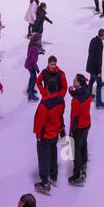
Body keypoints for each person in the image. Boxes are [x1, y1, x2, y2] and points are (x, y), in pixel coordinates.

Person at [33, 57, 67, 193]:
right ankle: (54, 176)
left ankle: (44, 182)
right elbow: (60, 116)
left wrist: (39, 136)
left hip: (45, 135)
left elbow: (40, 123)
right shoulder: (60, 101)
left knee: (43, 157)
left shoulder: (44, 105)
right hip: (55, 134)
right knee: (53, 154)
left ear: (47, 88)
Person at [68, 73, 91, 186]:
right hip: (87, 124)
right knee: (84, 143)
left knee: (75, 149)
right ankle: (84, 162)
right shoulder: (87, 91)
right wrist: (71, 91)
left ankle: (77, 174)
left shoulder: (76, 101)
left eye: (75, 80)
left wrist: (72, 131)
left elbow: (74, 117)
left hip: (79, 126)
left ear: (78, 83)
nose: (73, 80)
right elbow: (78, 93)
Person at [86, 28, 104, 108]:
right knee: (99, 84)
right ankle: (98, 102)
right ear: (102, 36)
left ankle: (88, 95)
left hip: (90, 66)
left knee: (91, 80)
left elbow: (90, 53)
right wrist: (99, 72)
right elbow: (99, 59)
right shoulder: (100, 44)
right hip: (95, 68)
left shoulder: (93, 40)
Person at [24, 33, 42, 101]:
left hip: (28, 63)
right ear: (37, 40)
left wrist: (39, 53)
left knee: (32, 77)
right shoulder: (34, 48)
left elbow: (31, 55)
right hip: (30, 65)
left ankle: (29, 89)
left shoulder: (32, 45)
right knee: (34, 79)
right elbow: (33, 61)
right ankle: (30, 95)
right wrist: (37, 69)